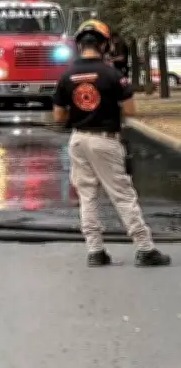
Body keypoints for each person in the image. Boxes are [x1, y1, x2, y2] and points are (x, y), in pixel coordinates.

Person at [52, 19, 170, 267]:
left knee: (87, 196)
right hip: (105, 140)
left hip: (78, 140)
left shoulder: (66, 76)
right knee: (123, 195)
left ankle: (95, 250)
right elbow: (132, 109)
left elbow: (58, 116)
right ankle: (144, 248)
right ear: (104, 45)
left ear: (79, 45)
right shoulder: (112, 75)